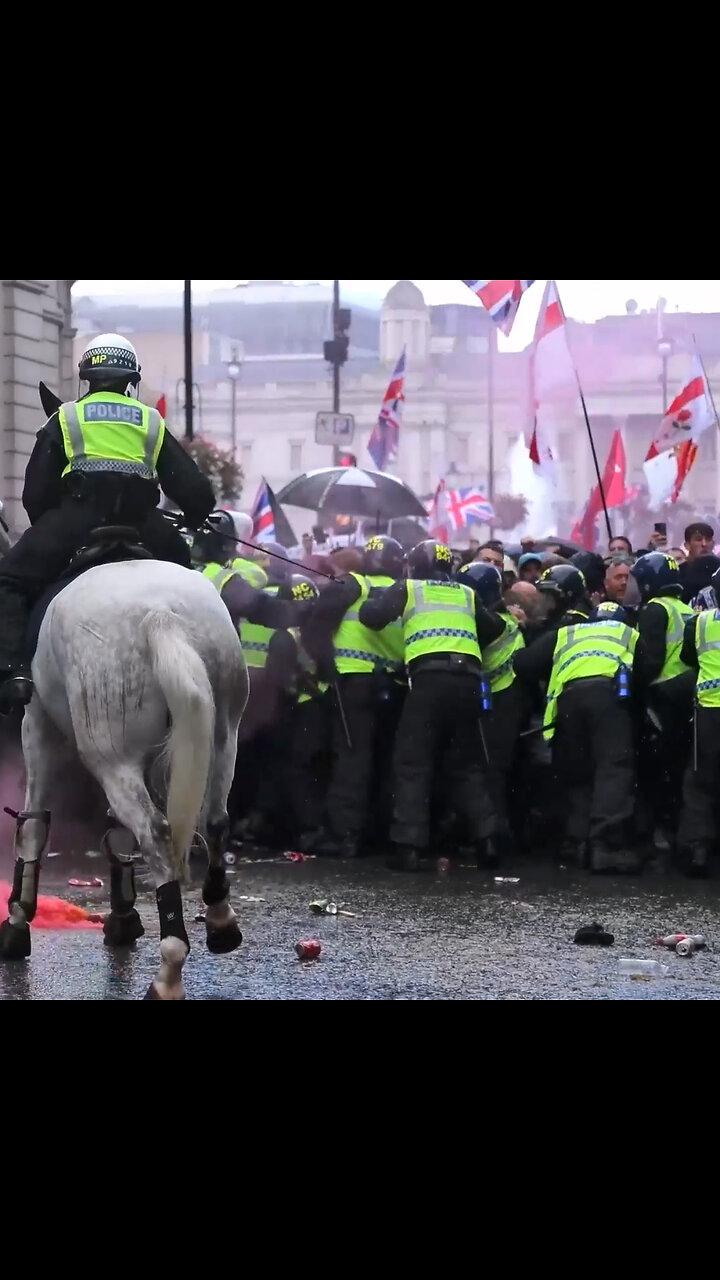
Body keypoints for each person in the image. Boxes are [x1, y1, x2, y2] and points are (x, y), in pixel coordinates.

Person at [0, 333, 216, 711]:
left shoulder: (65, 417)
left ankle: (14, 671)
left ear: (87, 378)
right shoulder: (151, 420)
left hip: (76, 522)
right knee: (192, 585)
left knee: (10, 580)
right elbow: (196, 492)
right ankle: (208, 672)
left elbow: (35, 493)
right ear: (131, 380)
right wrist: (196, 519)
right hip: (144, 525)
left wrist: (50, 526)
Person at [359, 539, 495, 871]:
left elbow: (371, 617)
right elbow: (494, 626)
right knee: (467, 766)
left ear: (415, 566)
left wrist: (380, 594)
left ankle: (407, 846)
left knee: (413, 762)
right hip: (468, 681)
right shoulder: (466, 593)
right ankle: (488, 841)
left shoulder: (409, 588)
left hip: (429, 680)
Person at [513, 600, 647, 872]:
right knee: (613, 768)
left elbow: (523, 664)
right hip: (609, 698)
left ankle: (576, 842)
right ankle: (605, 847)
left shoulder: (568, 632)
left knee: (577, 772)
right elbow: (646, 671)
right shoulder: (628, 633)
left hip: (569, 701)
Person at [301, 534, 407, 858]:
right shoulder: (406, 591)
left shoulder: (352, 584)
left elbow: (315, 626)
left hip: (352, 681)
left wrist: (323, 666)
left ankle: (344, 834)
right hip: (394, 684)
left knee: (351, 758)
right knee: (386, 760)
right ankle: (379, 832)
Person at [457, 561, 527, 860]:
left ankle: (494, 837)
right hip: (506, 695)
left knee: (488, 770)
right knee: (494, 771)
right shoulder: (503, 618)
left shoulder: (487, 622)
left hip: (499, 698)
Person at [630, 551, 695, 858]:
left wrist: (632, 685)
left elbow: (650, 659)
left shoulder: (655, 608)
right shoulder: (686, 609)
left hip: (662, 699)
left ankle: (658, 836)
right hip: (689, 696)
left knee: (657, 772)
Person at [677, 566, 720, 876]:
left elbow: (687, 658)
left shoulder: (701, 622)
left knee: (700, 782)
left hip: (709, 712)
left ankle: (698, 851)